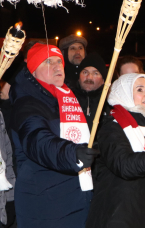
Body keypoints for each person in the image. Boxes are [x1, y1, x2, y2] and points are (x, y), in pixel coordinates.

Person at [10, 43, 99, 228]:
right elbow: (37, 140)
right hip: (45, 203)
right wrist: (72, 154)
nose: (58, 66)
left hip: (75, 198)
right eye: (48, 62)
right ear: (33, 71)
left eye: (59, 61)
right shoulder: (27, 103)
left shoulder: (66, 97)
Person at [86, 73, 145, 228]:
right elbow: (122, 163)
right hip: (116, 212)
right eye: (139, 90)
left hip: (143, 212)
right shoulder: (112, 127)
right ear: (124, 94)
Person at [72, 53, 108, 131]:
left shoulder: (109, 103)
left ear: (103, 80)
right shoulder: (68, 99)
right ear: (79, 77)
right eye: (85, 72)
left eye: (95, 73)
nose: (89, 77)